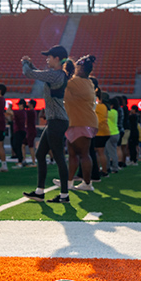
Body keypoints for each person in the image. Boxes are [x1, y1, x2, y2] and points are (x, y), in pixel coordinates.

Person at [21, 45, 72, 203]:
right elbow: (39, 74)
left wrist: (24, 63)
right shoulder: (57, 74)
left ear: (57, 59)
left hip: (56, 121)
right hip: (56, 120)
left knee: (59, 158)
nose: (47, 59)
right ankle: (40, 192)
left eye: (49, 56)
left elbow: (29, 73)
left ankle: (64, 195)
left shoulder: (55, 74)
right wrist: (30, 65)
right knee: (40, 154)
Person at [62, 54, 97, 191]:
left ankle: (87, 184)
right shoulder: (87, 82)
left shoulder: (76, 82)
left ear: (81, 69)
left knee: (82, 154)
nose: (76, 69)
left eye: (78, 66)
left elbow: (62, 80)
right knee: (75, 154)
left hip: (80, 122)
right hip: (80, 121)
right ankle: (70, 182)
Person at [105, 97, 121, 173]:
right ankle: (112, 167)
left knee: (109, 152)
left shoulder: (109, 112)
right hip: (116, 133)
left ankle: (113, 168)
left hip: (109, 133)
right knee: (112, 151)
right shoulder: (115, 112)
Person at [10, 99, 27, 168]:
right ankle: (21, 160)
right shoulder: (23, 112)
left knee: (17, 146)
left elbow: (10, 112)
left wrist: (9, 107)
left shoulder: (20, 112)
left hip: (19, 131)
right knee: (16, 146)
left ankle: (20, 161)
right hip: (19, 131)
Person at [24, 99, 37, 166]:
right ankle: (24, 160)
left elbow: (24, 112)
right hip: (29, 131)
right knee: (23, 145)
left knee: (31, 146)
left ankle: (34, 161)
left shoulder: (31, 112)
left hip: (30, 131)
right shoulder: (32, 112)